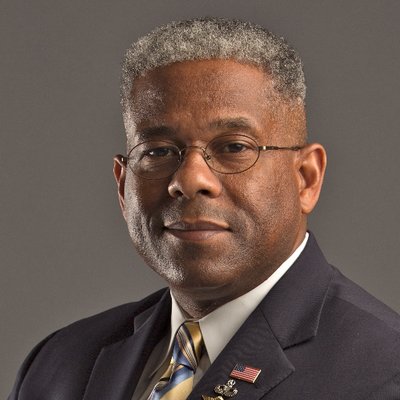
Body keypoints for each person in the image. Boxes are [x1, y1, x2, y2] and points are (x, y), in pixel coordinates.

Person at [8, 17, 400, 400]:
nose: (189, 179)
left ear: (306, 178)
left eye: (234, 147)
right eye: (158, 151)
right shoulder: (59, 365)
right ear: (123, 184)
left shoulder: (384, 375)